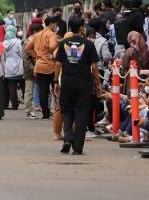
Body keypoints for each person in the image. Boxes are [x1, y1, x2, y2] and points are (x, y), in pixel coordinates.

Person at [55, 17, 101, 155]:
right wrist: (98, 83)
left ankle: (68, 138)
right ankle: (78, 147)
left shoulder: (63, 44)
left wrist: (56, 82)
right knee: (82, 113)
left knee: (67, 110)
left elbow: (58, 65)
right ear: (81, 28)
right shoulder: (89, 44)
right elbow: (94, 67)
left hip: (67, 82)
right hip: (84, 83)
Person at [25, 16, 60, 119]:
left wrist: (37, 56)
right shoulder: (52, 34)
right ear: (52, 24)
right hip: (51, 66)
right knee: (56, 90)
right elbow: (53, 46)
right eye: (56, 24)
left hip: (39, 65)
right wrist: (53, 54)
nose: (56, 26)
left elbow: (28, 47)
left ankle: (45, 114)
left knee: (43, 90)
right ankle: (58, 111)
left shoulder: (37, 34)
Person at [3, 25, 24, 110]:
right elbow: (22, 54)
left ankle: (13, 104)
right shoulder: (18, 42)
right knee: (21, 85)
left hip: (8, 66)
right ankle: (24, 103)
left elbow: (3, 56)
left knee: (11, 86)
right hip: (18, 65)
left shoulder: (3, 43)